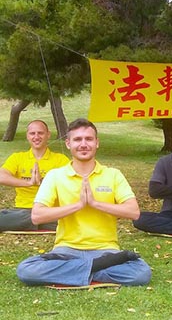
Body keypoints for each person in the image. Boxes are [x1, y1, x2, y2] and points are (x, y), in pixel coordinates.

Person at [16, 118, 151, 287]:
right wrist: (78, 205)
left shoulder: (113, 175)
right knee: (26, 270)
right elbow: (37, 216)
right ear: (68, 144)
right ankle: (95, 269)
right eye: (78, 139)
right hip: (67, 251)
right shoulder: (55, 176)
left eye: (89, 139)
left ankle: (75, 272)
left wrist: (95, 204)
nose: (83, 144)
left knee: (142, 273)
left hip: (106, 251)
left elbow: (134, 212)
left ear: (97, 143)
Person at [0, 120, 69, 231]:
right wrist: (29, 183)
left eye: (40, 133)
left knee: (70, 218)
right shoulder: (17, 157)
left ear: (48, 135)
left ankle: (35, 221)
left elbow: (71, 182)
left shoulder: (60, 159)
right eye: (32, 133)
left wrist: (45, 183)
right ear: (27, 136)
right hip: (23, 210)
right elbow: (2, 176)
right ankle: (39, 221)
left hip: (49, 210)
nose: (36, 137)